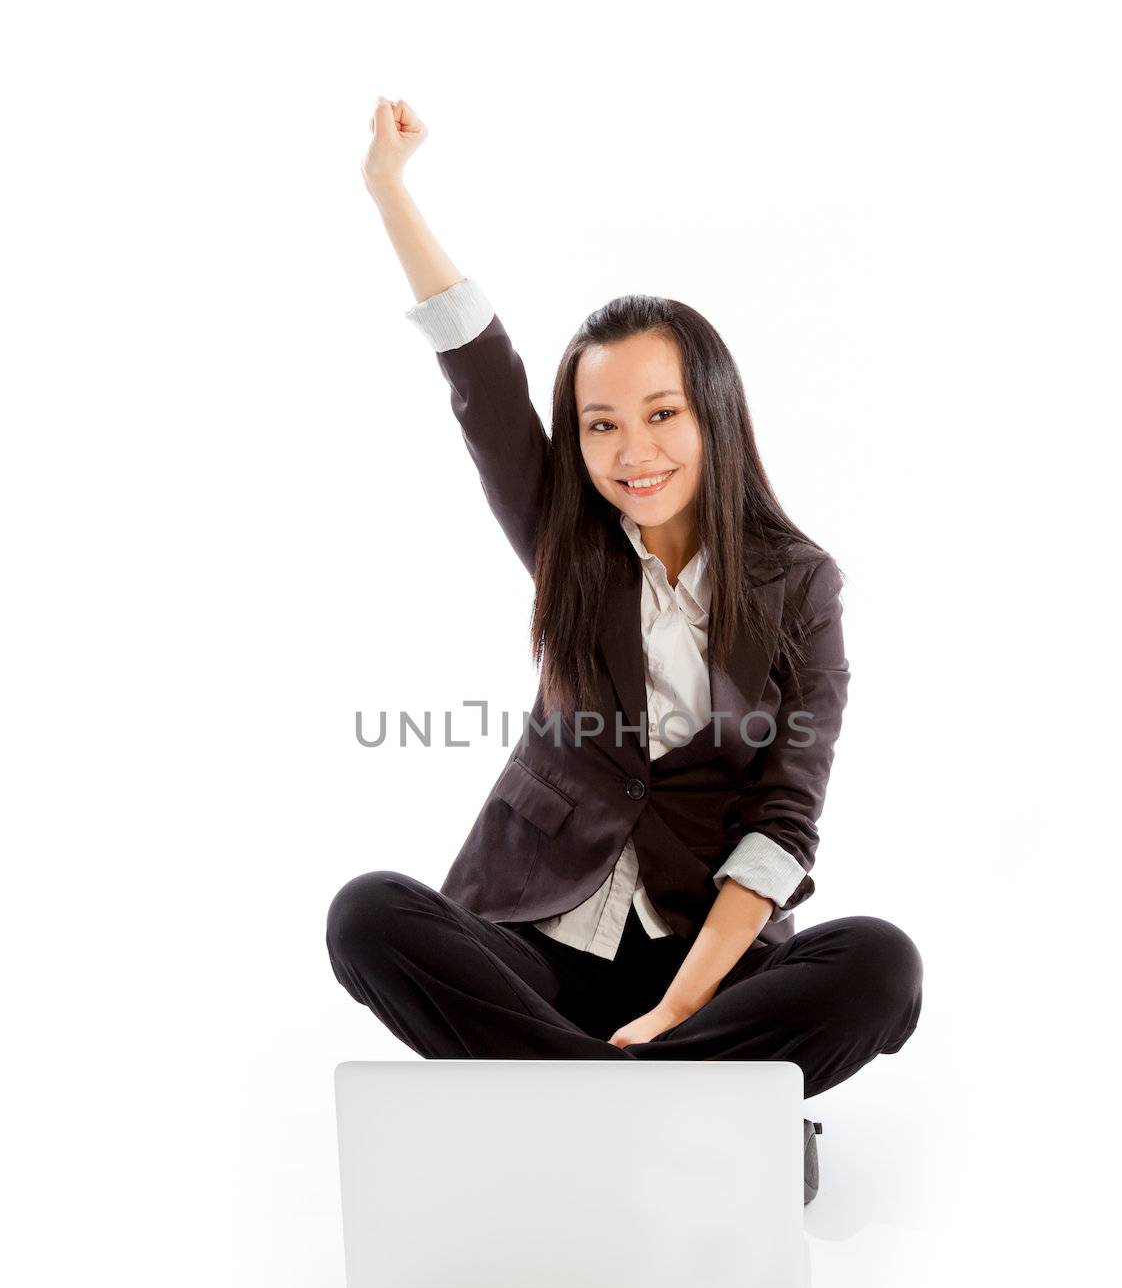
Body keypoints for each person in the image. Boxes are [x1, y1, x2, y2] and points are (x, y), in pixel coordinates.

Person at [325, 97, 924, 1203]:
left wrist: (679, 1009)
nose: (629, 451)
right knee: (365, 912)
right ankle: (694, 1121)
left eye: (659, 415)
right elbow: (482, 373)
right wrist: (389, 191)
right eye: (599, 424)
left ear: (712, 416)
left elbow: (784, 819)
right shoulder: (568, 544)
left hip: (703, 961)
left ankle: (574, 1107)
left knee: (881, 965)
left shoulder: (799, 585)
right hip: (532, 947)